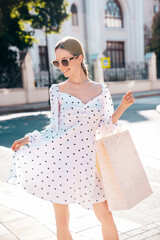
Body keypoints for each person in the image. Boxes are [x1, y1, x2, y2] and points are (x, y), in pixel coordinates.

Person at [9, 36, 135, 240]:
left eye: (65, 61)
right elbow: (54, 129)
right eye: (57, 62)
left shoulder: (101, 90)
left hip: (90, 163)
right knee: (62, 221)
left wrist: (121, 108)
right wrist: (28, 139)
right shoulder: (57, 91)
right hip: (61, 161)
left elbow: (105, 126)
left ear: (79, 58)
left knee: (105, 215)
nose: (61, 67)